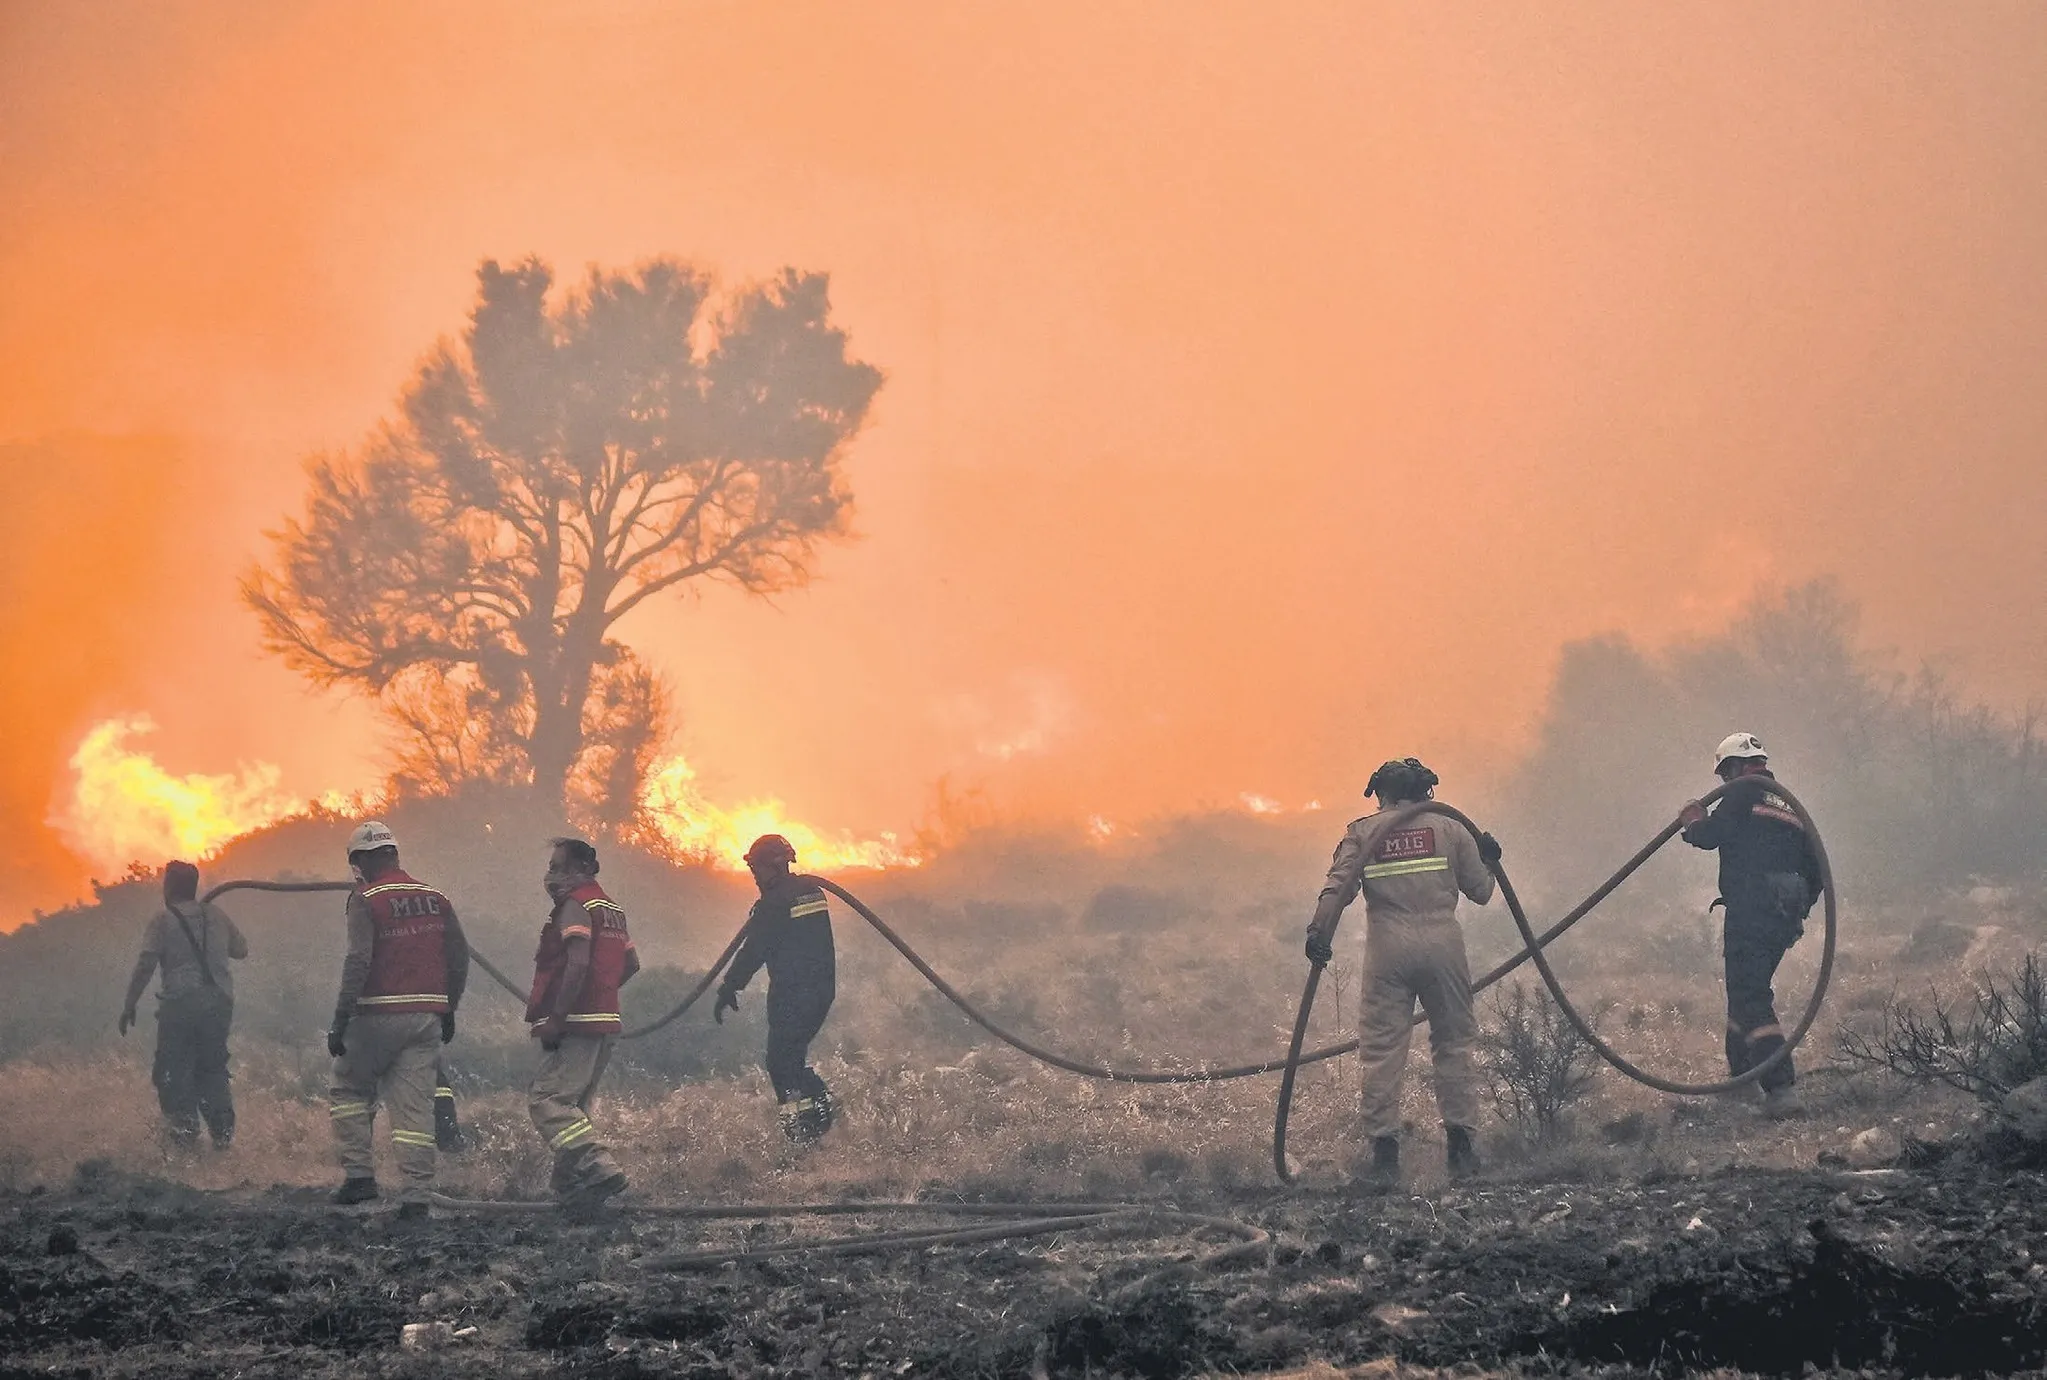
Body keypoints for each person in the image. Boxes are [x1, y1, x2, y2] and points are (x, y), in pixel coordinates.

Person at [1304, 757, 1501, 1186]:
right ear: (1425, 790)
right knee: (1453, 1045)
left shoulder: (1363, 831)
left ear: (1381, 793)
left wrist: (1319, 932)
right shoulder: (1451, 828)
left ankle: (1384, 1158)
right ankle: (1462, 1153)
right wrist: (1488, 860)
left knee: (1381, 1052)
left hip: (1387, 950)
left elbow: (1338, 887)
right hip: (1443, 948)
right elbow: (1482, 891)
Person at [326, 821, 469, 1214]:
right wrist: (449, 1007)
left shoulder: (366, 898)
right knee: (413, 1110)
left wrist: (340, 1020)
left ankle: (359, 1178)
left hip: (377, 1014)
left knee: (348, 1089)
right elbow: (459, 957)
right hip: (426, 1018)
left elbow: (358, 959)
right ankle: (416, 1198)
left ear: (362, 860)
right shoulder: (435, 897)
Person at [1679, 732, 1823, 1118]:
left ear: (1733, 768)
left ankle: (1780, 1089)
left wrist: (1693, 821)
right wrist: (1799, 906)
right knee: (1745, 991)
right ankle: (1740, 1078)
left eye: (1726, 775)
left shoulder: (1742, 794)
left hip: (1750, 912)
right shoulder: (1788, 804)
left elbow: (1711, 835)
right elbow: (1817, 868)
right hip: (1783, 916)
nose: (1726, 782)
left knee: (1752, 997)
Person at [525, 836, 638, 1208]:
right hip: (604, 1021)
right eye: (551, 868)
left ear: (585, 869)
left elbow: (576, 962)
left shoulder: (576, 906)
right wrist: (602, 992)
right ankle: (570, 1186)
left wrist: (559, 1016)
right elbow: (631, 964)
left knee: (548, 1101)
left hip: (576, 1022)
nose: (552, 876)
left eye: (560, 868)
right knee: (574, 1107)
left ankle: (600, 1169)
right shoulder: (611, 909)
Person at [714, 835, 838, 1144]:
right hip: (821, 991)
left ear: (775, 867)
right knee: (789, 1059)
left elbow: (754, 950)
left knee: (781, 1061)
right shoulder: (810, 891)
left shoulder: (775, 903)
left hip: (793, 995)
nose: (754, 875)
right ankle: (815, 1119)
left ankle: (808, 1127)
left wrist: (729, 987)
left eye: (757, 868)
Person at [119, 861, 247, 1149]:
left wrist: (130, 1005)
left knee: (171, 1073)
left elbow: (146, 963)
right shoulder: (216, 914)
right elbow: (241, 950)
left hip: (180, 1005)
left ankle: (185, 1142)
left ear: (170, 887)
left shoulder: (163, 920)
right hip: (218, 1004)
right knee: (212, 1069)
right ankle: (222, 1139)